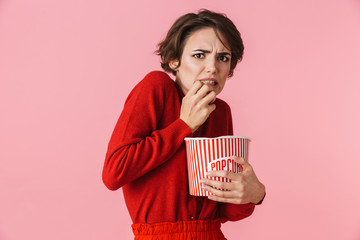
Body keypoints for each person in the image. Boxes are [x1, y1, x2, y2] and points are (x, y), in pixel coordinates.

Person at [102, 9, 265, 240]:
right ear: (174, 60)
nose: (212, 68)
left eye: (223, 58)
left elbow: (220, 210)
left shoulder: (221, 112)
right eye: (200, 55)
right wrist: (184, 125)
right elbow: (114, 172)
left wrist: (253, 193)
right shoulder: (156, 88)